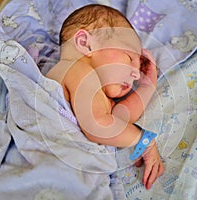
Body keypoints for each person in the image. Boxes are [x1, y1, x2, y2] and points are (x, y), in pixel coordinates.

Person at [46, 4, 164, 190]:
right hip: (47, 169)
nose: (135, 74)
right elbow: (98, 126)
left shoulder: (90, 92)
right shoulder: (75, 69)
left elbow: (117, 121)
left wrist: (148, 87)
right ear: (85, 43)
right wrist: (144, 139)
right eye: (128, 57)